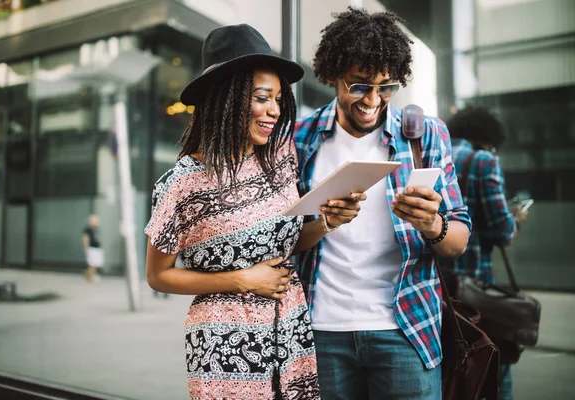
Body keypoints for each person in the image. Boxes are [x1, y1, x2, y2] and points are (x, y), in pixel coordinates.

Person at [145, 24, 362, 399]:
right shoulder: (182, 182)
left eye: (278, 99)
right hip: (224, 344)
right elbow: (158, 276)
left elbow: (285, 245)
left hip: (290, 330)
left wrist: (327, 222)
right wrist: (243, 279)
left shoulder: (280, 161)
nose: (274, 110)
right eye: (263, 98)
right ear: (226, 98)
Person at [292, 8, 471, 399]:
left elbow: (458, 240)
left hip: (407, 329)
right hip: (322, 331)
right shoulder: (300, 137)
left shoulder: (425, 136)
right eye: (358, 86)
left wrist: (433, 225)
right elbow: (286, 240)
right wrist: (325, 222)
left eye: (385, 87)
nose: (373, 100)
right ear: (332, 76)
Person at [447, 106, 528, 400]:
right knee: (492, 368)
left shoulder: (431, 155)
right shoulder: (482, 161)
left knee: (449, 376)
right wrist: (516, 219)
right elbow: (502, 231)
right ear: (487, 138)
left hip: (436, 289)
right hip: (474, 291)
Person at [82, 214, 103, 284]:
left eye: (96, 220)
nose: (95, 221)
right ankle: (90, 277)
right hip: (92, 248)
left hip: (97, 248)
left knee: (96, 263)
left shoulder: (96, 229)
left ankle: (87, 273)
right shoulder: (88, 229)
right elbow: (85, 239)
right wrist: (86, 248)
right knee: (93, 264)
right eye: (93, 220)